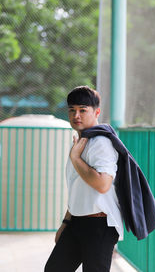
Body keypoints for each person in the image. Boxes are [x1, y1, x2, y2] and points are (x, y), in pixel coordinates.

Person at [44, 86, 124, 272]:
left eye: (82, 110)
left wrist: (75, 158)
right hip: (78, 221)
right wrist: (66, 223)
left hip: (100, 225)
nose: (76, 115)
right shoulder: (82, 143)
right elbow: (78, 189)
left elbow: (103, 184)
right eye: (72, 110)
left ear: (96, 112)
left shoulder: (101, 143)